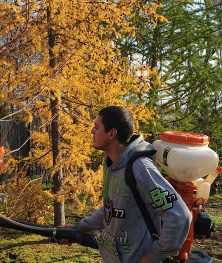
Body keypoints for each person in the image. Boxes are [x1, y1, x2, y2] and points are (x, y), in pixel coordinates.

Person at [60, 106, 191, 263]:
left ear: (112, 134)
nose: (91, 132)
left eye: (96, 127)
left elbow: (180, 216)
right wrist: (77, 228)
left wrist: (152, 257)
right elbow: (111, 209)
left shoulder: (141, 168)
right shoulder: (111, 164)